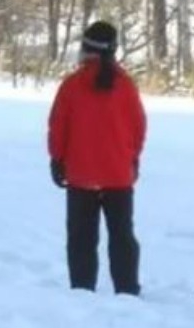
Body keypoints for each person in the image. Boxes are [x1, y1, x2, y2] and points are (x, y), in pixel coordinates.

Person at [47, 21, 147, 295]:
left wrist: (57, 160)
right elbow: (138, 128)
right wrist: (131, 159)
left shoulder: (72, 85)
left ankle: (82, 290)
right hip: (118, 176)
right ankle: (127, 291)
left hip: (81, 176)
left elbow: (58, 126)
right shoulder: (126, 86)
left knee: (81, 239)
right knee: (122, 237)